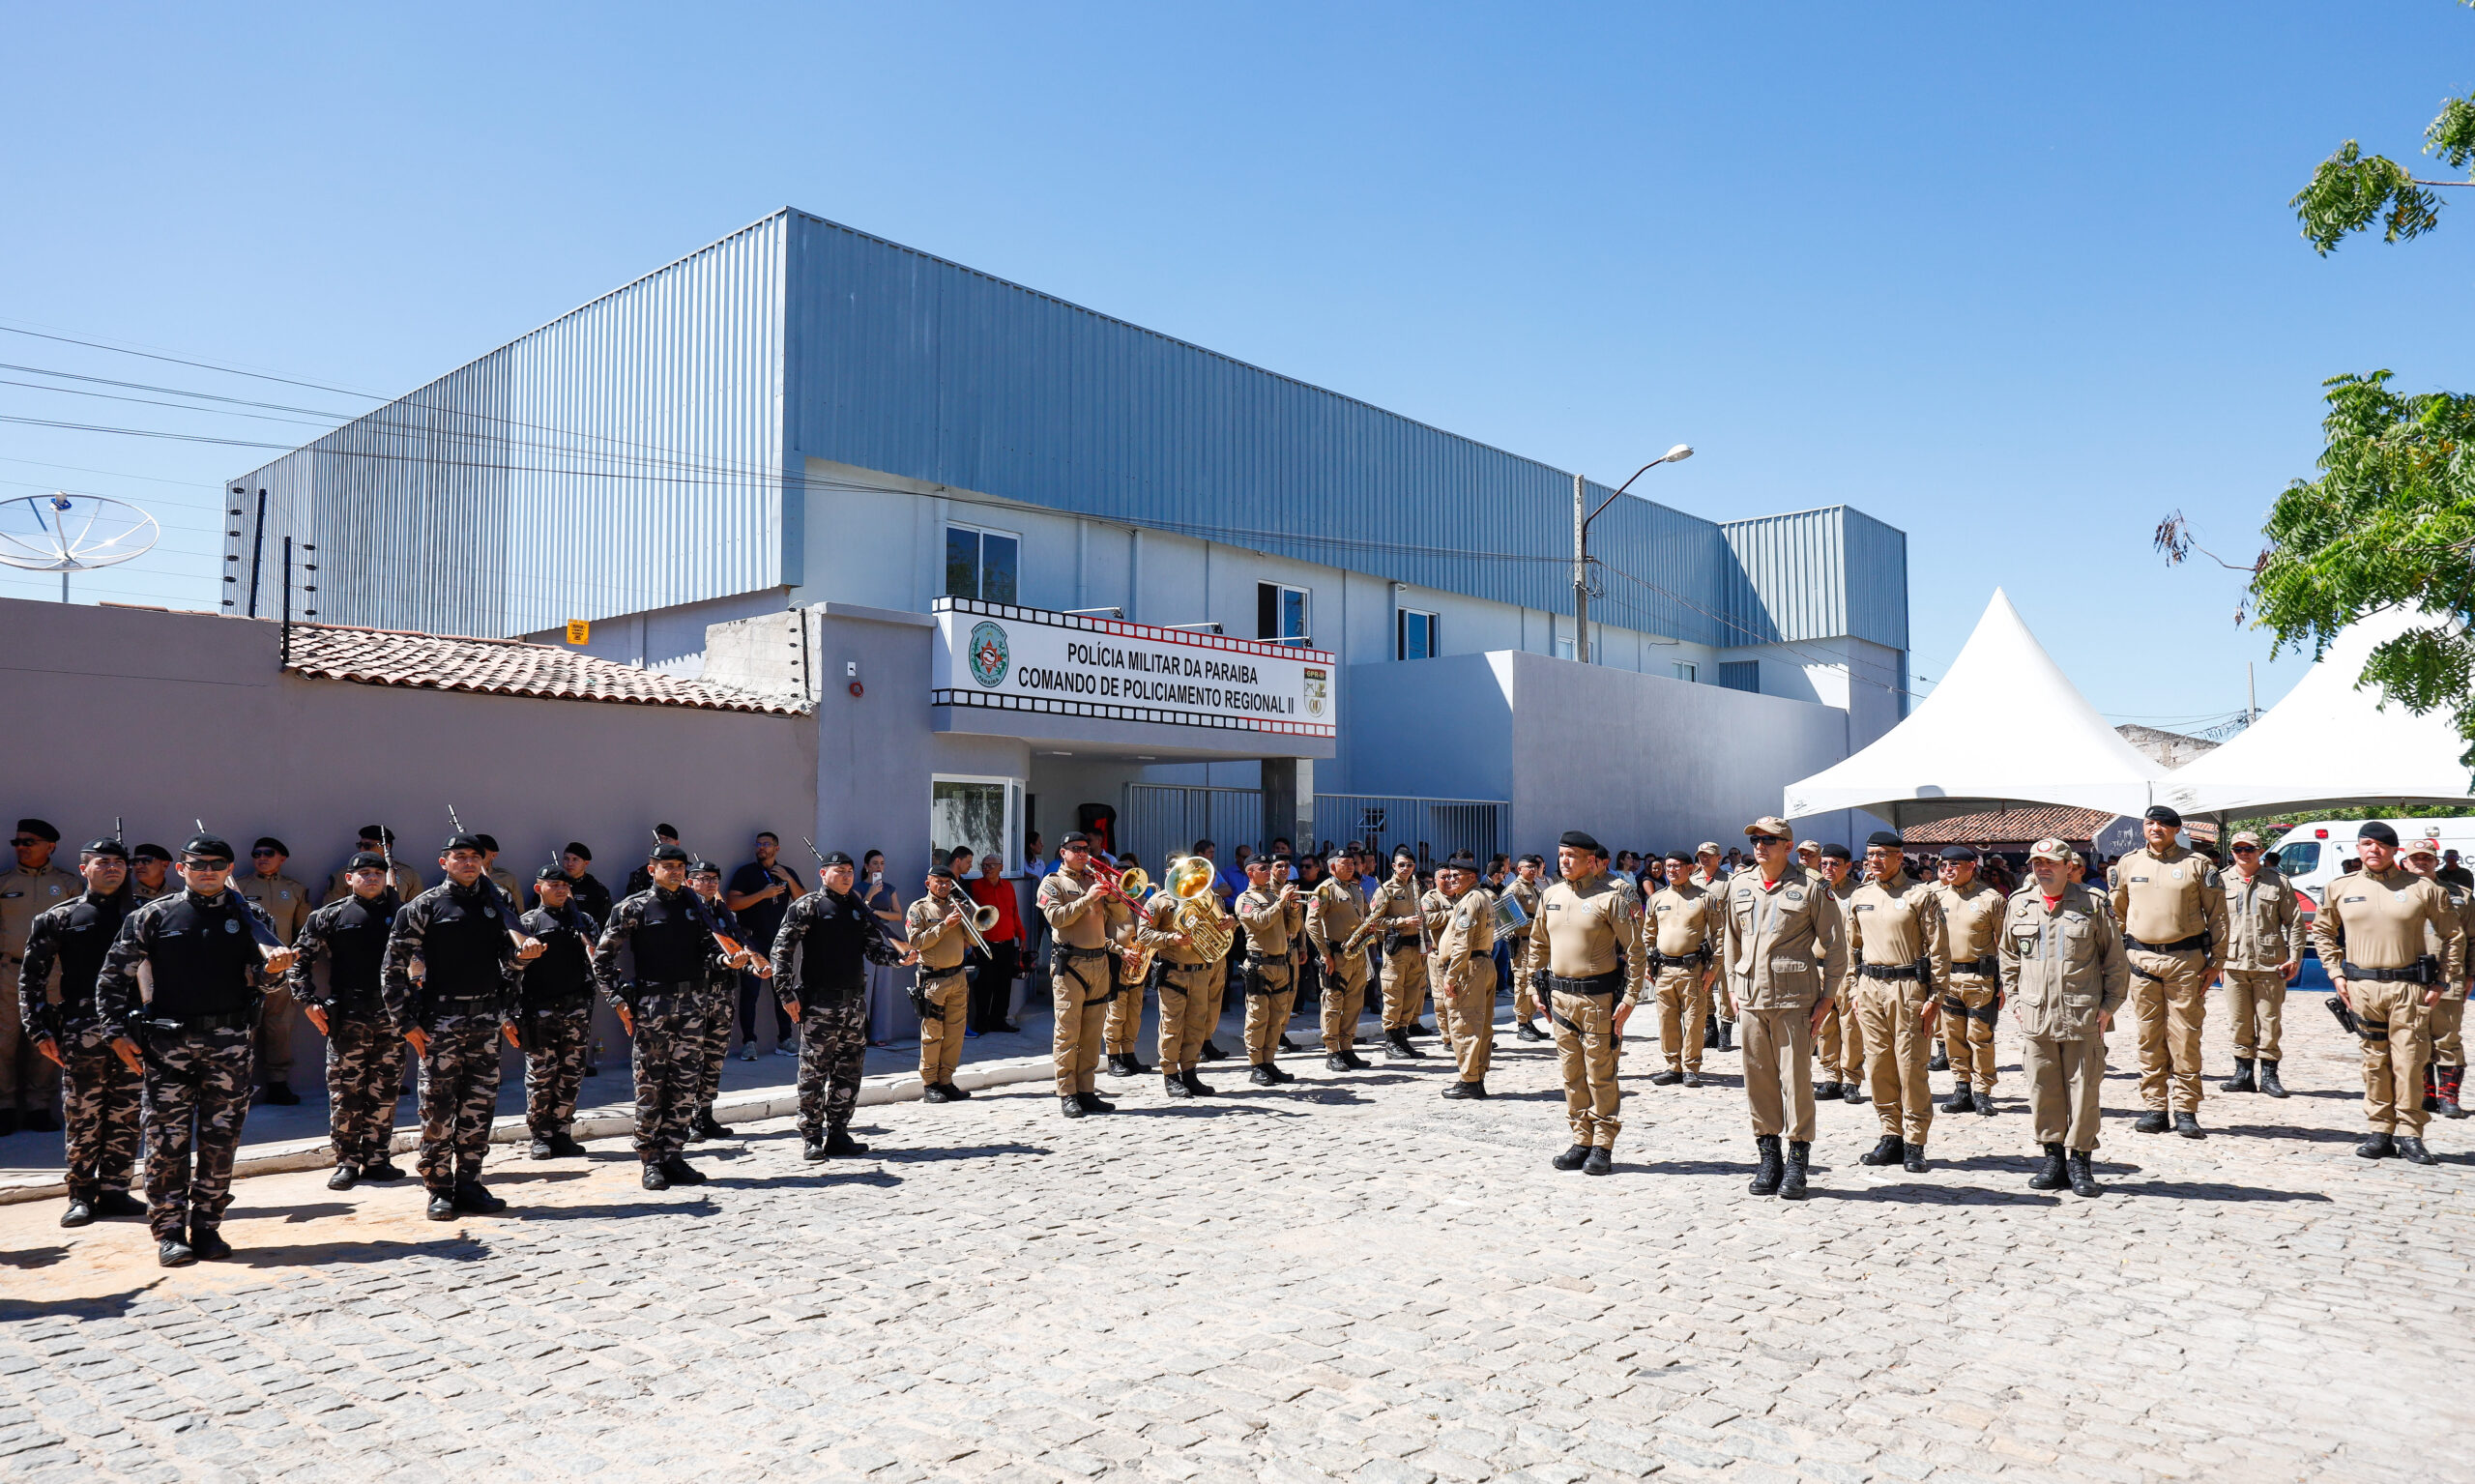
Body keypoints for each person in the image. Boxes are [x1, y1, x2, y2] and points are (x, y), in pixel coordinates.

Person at [96, 833, 295, 1266]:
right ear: (182, 869)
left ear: (228, 869)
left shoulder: (249, 915)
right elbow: (113, 977)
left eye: (217, 864)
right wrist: (114, 1032)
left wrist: (276, 972)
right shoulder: (153, 915)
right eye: (198, 864)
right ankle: (170, 1231)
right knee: (166, 1140)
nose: (208, 871)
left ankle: (207, 1227)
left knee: (220, 1140)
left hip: (229, 1043)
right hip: (168, 1045)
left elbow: (263, 980)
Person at [385, 831, 541, 1219]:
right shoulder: (424, 907)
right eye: (460, 856)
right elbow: (393, 967)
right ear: (444, 862)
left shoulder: (498, 902)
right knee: (438, 1108)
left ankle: (470, 1182)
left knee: (479, 1106)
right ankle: (439, 1187)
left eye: (475, 856)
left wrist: (524, 957)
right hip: (440, 1020)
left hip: (486, 1019)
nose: (469, 862)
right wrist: (404, 1021)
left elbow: (508, 961)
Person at [2313, 822, 2464, 1164]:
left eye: (2381, 845)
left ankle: (2411, 1133)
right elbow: (2322, 931)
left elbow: (2454, 936)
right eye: (2366, 844)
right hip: (2361, 988)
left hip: (2408, 988)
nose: (2373, 850)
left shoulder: (2422, 889)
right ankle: (2380, 1130)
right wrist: (2335, 973)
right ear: (2358, 848)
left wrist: (2442, 981)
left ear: (2395, 851)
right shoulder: (2340, 887)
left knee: (2410, 1062)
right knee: (2374, 1061)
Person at [597, 845, 747, 1188]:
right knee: (651, 1086)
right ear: (652, 870)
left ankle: (674, 1155)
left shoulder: (696, 905)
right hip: (654, 1008)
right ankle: (650, 1160)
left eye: (680, 866)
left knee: (684, 1084)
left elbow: (710, 951)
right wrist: (618, 999)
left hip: (693, 1007)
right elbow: (602, 959)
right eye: (668, 866)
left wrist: (726, 961)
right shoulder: (633, 907)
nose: (676, 871)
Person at [1719, 819, 1847, 1198]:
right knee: (1757, 1079)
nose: (1760, 846)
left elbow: (1836, 946)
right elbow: (1730, 939)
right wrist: (1731, 987)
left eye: (1769, 840)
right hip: (1751, 997)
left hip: (1794, 998)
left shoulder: (1811, 887)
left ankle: (1798, 1161)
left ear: (1788, 846)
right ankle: (1768, 1156)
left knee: (1796, 1082)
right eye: (1756, 840)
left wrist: (1827, 998)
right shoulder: (1739, 884)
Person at [18, 839, 141, 1226]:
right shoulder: (59, 917)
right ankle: (81, 1195)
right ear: (84, 868)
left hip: (134, 1028)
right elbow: (31, 978)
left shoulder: (142, 916)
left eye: (120, 862)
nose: (113, 868)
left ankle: (117, 1190)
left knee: (126, 1112)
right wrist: (38, 1030)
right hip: (82, 1029)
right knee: (83, 1114)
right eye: (102, 861)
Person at [2002, 837, 2129, 1197]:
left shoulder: (2091, 903)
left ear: (2066, 866)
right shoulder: (2020, 905)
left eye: (2050, 864)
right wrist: (2014, 1000)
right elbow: (2008, 958)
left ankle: (2081, 1161)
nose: (2042, 869)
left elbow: (2115, 961)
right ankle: (2053, 1157)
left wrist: (2108, 1007)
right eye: (2037, 864)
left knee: (2084, 1091)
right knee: (2042, 1090)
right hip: (2035, 1014)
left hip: (2082, 1013)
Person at [771, 850, 916, 1157]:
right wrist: (785, 994)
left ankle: (839, 1134)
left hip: (852, 1004)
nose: (847, 876)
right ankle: (811, 1136)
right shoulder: (807, 906)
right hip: (818, 1004)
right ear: (824, 874)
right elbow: (781, 949)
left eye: (850, 871)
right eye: (839, 871)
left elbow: (875, 949)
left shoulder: (857, 908)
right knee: (813, 1074)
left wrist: (899, 958)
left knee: (848, 1072)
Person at [1524, 830, 1645, 1176]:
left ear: (1590, 860)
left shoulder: (1611, 898)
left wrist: (1631, 998)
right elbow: (1537, 946)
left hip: (1598, 999)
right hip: (1560, 999)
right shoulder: (1550, 895)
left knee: (1600, 1073)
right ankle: (1581, 1139)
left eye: (1572, 855)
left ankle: (1603, 1143)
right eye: (1561, 854)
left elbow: (1635, 952)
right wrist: (1534, 988)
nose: (1564, 861)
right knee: (1571, 1073)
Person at [288, 851, 410, 1189]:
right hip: (348, 1019)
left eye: (378, 873)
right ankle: (346, 1162)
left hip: (392, 1017)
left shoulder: (403, 916)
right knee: (346, 1094)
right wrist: (308, 1002)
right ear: (349, 879)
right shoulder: (329, 916)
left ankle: (377, 1158)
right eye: (364, 873)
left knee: (384, 1092)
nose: (372, 878)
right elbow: (298, 962)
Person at [2108, 805, 2229, 1139]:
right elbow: (2116, 913)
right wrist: (2119, 957)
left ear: (2177, 829)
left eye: (2164, 824)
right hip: (2141, 962)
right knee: (2149, 1038)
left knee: (2185, 1038)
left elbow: (2218, 916)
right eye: (2150, 823)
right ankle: (2154, 1107)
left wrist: (2216, 961)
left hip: (2184, 963)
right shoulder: (2128, 863)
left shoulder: (2197, 865)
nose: (2156, 828)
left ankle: (2187, 1109)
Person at [1846, 829, 1949, 1174]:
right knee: (1878, 1066)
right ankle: (1890, 1134)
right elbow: (1851, 949)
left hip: (1908, 990)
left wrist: (1936, 996)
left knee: (1910, 1067)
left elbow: (1939, 950)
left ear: (1898, 858)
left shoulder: (1921, 896)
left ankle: (1915, 1141)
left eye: (1883, 855)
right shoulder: (1860, 895)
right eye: (1871, 854)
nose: (1875, 861)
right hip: (1870, 989)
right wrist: (1852, 990)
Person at [1, 818, 81, 1136]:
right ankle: (4, 1107)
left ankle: (38, 1106)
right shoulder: (5, 882)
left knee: (46, 1043)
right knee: (3, 1044)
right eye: (17, 843)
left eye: (28, 842)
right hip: (9, 972)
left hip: (52, 974)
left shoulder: (67, 884)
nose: (21, 847)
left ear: (50, 846)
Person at [513, 865, 597, 1161]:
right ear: (539, 889)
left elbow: (595, 961)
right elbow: (511, 970)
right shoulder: (528, 923)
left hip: (575, 1009)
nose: (561, 889)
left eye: (565, 885)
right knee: (541, 1075)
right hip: (540, 1010)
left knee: (571, 1073)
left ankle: (562, 1131)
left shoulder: (583, 921)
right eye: (554, 885)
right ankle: (541, 1136)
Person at [2218, 829, 2307, 1100]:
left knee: (2269, 1020)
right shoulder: (2221, 881)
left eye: (2249, 849)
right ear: (2232, 852)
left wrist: (2295, 957)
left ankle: (2269, 1075)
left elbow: (2294, 922)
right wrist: (2215, 961)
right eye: (2238, 850)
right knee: (2239, 1021)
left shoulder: (2277, 882)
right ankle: (2243, 1073)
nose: (2244, 854)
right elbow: (2214, 923)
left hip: (2270, 963)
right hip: (2233, 963)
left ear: (2260, 851)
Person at [1037, 834, 1121, 1117]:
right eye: (1077, 849)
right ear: (1063, 853)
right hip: (1070, 964)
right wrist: (1088, 898)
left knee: (1092, 1033)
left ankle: (1087, 1091)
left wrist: (1115, 894)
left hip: (1098, 962)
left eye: (1086, 849)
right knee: (1068, 1033)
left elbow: (1118, 919)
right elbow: (1056, 919)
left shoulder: (1093, 879)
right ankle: (1067, 1092)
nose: (1084, 853)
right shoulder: (1053, 882)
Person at [1140, 844, 1226, 1097]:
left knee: (1197, 1024)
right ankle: (1170, 1075)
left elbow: (1220, 929)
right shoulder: (1158, 901)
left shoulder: (1208, 897)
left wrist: (1229, 924)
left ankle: (1190, 1072)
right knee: (1172, 1025)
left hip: (1200, 970)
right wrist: (1170, 939)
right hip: (1174, 972)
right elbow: (1144, 934)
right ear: (1168, 871)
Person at [235, 836, 312, 1106]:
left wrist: (296, 961)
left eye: (269, 853)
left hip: (282, 970)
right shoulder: (238, 886)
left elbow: (304, 931)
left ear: (282, 858)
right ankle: (238, 1086)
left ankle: (278, 1084)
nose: (262, 858)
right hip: (245, 971)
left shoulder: (295, 889)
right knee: (244, 1028)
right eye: (257, 853)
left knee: (279, 1028)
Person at [686, 859, 760, 1138]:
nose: (709, 883)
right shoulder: (686, 912)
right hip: (695, 995)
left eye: (714, 878)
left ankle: (704, 1113)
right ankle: (686, 1119)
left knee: (714, 1055)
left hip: (723, 992)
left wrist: (752, 964)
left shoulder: (722, 911)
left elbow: (738, 944)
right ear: (690, 882)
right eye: (702, 878)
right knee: (690, 1058)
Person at [1933, 845, 2007, 1117]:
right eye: (1944, 865)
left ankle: (1983, 1091)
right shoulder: (1936, 896)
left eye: (1954, 865)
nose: (1948, 870)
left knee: (1980, 1037)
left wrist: (2004, 984)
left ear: (1971, 866)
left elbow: (2005, 944)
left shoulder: (1990, 899)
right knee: (1952, 1036)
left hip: (1980, 978)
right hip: (1947, 978)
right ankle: (1961, 1087)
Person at [2403, 838, 2475, 1120]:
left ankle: (2448, 1097)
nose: (2421, 862)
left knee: (2447, 1037)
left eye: (2427, 858)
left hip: (2449, 976)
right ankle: (2425, 1094)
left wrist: (2471, 973)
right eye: (2415, 858)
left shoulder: (2461, 895)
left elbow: (2473, 938)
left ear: (2436, 861)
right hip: (2406, 978)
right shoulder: (2394, 892)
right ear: (2405, 862)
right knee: (2413, 1037)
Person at [725, 832, 804, 1059]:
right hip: (752, 941)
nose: (761, 847)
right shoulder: (746, 873)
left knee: (784, 990)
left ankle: (785, 1039)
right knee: (750, 992)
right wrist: (763, 894)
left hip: (780, 941)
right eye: (759, 844)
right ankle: (749, 1042)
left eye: (766, 844)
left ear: (777, 848)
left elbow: (804, 902)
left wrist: (789, 879)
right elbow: (732, 903)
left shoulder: (785, 872)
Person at [1645, 850, 1719, 1088]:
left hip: (1693, 970)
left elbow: (1720, 935)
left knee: (1694, 1020)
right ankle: (1673, 1066)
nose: (1672, 870)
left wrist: (1713, 967)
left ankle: (1691, 1067)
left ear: (1690, 868)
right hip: (1664, 970)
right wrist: (1648, 963)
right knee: (1667, 1019)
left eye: (1677, 866)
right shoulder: (1657, 899)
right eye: (1668, 866)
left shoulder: (1704, 898)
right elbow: (1648, 934)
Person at [1233, 853, 1307, 1087]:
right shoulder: (1245, 899)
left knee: (1277, 1018)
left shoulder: (1275, 895)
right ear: (1250, 873)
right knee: (1258, 1017)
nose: (1268, 872)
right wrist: (1281, 903)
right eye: (1262, 868)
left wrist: (1293, 908)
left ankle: (1269, 1061)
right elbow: (1262, 921)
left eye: (1268, 868)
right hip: (1260, 964)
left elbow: (1293, 928)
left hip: (1281, 963)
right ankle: (1256, 1066)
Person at [1430, 853, 1498, 1099]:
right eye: (1449, 876)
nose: (1451, 880)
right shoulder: (1482, 897)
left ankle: (1469, 1080)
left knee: (1464, 1024)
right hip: (1482, 965)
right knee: (1481, 1025)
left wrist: (1451, 977)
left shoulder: (1469, 901)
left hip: (1469, 968)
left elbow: (1462, 943)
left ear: (1471, 877)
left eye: (1457, 876)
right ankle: (1476, 1076)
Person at [906, 866, 975, 1103]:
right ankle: (930, 1083)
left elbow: (975, 940)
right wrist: (944, 924)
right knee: (932, 1033)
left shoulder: (958, 906)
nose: (944, 886)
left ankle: (947, 1080)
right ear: (928, 883)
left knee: (955, 1033)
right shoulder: (919, 908)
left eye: (947, 882)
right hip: (933, 980)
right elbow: (915, 942)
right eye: (939, 882)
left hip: (958, 976)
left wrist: (966, 918)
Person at [1305, 844, 1374, 1072]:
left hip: (1357, 953)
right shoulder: (1324, 890)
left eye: (1352, 863)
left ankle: (1347, 1047)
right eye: (1345, 864)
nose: (1350, 867)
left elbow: (1365, 913)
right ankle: (1332, 1050)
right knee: (1333, 1002)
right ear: (1332, 867)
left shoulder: (1356, 888)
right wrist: (1325, 954)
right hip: (1336, 954)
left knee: (1354, 1003)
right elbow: (1311, 923)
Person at [1811, 843, 1866, 1103]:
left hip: (1848, 970)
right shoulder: (1816, 891)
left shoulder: (1859, 893)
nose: (1828, 869)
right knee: (1824, 1025)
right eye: (1824, 864)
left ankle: (1852, 1079)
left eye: (1834, 864)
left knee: (1850, 1026)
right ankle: (1831, 1076)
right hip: (1818, 968)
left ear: (1847, 865)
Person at [1366, 849, 1431, 1059]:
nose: (1405, 869)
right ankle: (1391, 1041)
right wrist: (1400, 922)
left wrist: (1427, 940)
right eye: (1401, 865)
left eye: (1409, 865)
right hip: (1397, 949)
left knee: (1411, 996)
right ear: (1394, 866)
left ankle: (1403, 1037)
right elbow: (1373, 922)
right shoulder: (1385, 890)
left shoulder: (1417, 887)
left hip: (1416, 949)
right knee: (1394, 996)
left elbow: (1424, 916)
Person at [968, 852, 1025, 1033]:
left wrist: (1021, 935)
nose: (986, 869)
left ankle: (999, 1020)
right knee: (984, 985)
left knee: (1004, 985)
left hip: (1007, 942)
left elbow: (1013, 912)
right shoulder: (975, 886)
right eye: (984, 865)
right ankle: (982, 1023)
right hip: (986, 943)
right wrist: (974, 944)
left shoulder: (1008, 886)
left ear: (1001, 867)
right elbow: (970, 917)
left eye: (991, 865)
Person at [1102, 853, 1149, 1075]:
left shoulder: (1138, 899)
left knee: (1134, 1010)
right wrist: (1121, 951)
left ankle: (1129, 1054)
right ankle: (1113, 1058)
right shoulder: (1103, 901)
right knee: (1116, 1012)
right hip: (1115, 961)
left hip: (1137, 962)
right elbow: (1096, 936)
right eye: (1121, 878)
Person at [1689, 841, 1737, 1050]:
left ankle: (1726, 1027)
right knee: (1703, 984)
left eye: (1709, 855)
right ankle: (1710, 1026)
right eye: (1701, 855)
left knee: (1725, 985)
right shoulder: (1692, 881)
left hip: (1723, 940)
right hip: (1699, 942)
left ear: (1719, 857)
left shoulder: (1730, 881)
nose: (1704, 858)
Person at [860, 852, 905, 1045]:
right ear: (866, 866)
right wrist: (869, 895)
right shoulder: (858, 887)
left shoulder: (889, 888)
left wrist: (875, 912)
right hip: (863, 941)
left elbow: (898, 915)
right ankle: (860, 1033)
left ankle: (879, 1035)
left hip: (884, 938)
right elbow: (857, 912)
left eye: (882, 863)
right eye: (875, 863)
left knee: (883, 989)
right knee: (864, 988)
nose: (879, 867)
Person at [1503, 855, 1547, 1041]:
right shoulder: (1514, 889)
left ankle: (1529, 1021)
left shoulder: (1534, 887)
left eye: (1535, 867)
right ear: (1519, 869)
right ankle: (1522, 1023)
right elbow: (1508, 918)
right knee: (1522, 982)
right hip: (1522, 942)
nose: (1533, 870)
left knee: (1534, 982)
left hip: (1535, 942)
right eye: (1529, 867)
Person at [325, 826, 422, 904]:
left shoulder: (408, 875)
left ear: (386, 847)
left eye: (367, 846)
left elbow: (417, 910)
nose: (362, 849)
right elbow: (331, 909)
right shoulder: (344, 875)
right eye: (360, 845)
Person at [558, 841, 615, 925]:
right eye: (566, 859)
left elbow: (606, 923)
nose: (569, 864)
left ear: (586, 863)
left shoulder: (597, 889)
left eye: (575, 859)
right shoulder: (552, 885)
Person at [623, 824, 683, 897]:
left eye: (667, 839)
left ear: (676, 844)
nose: (662, 842)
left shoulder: (688, 872)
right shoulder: (642, 874)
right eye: (659, 839)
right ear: (654, 843)